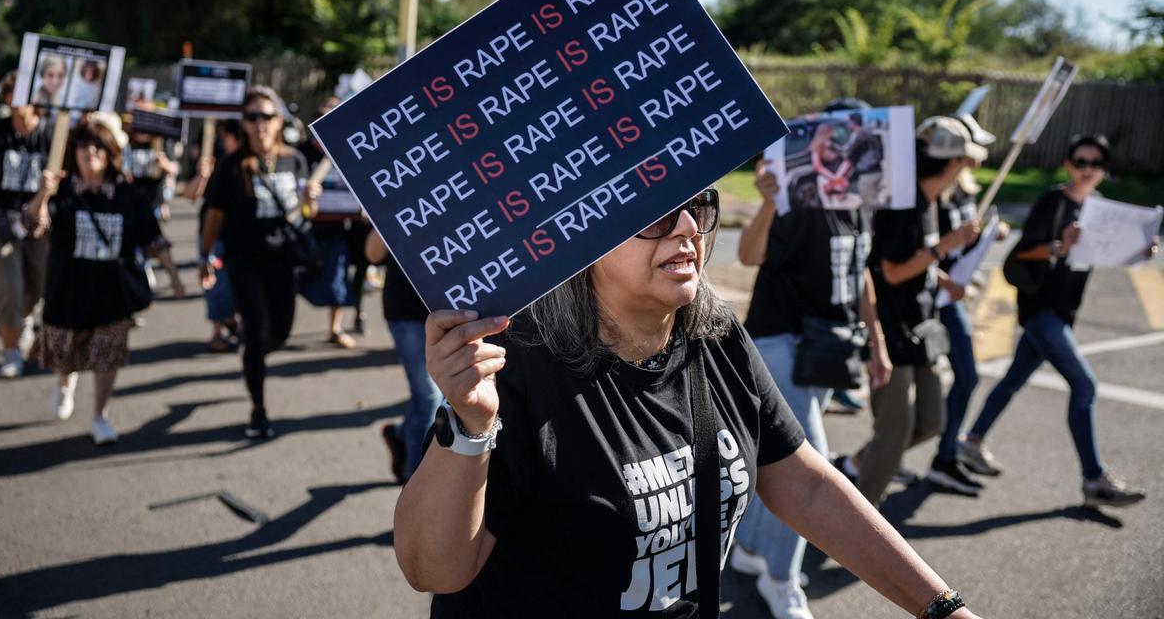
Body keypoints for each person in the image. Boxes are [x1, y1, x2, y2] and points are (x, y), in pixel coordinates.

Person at [394, 189, 984, 619]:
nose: (685, 228)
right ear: (582, 236)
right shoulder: (513, 367)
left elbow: (802, 483)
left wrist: (942, 609)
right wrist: (469, 427)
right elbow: (435, 571)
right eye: (650, 214)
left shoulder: (714, 334)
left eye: (698, 204)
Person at [732, 156, 893, 617]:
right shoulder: (793, 196)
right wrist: (766, 202)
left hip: (829, 347)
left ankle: (750, 547)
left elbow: (859, 270)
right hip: (781, 340)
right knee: (809, 469)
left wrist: (876, 342)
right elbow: (748, 255)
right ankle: (780, 580)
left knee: (777, 457)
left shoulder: (859, 201)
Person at [961, 134, 1155, 508]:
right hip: (1041, 310)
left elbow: (1111, 252)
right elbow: (1021, 253)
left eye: (1095, 164)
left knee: (1013, 380)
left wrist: (1140, 249)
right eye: (1080, 162)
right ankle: (1094, 480)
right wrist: (1058, 246)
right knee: (1085, 387)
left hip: (1064, 310)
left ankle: (971, 442)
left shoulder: (1099, 208)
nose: (1087, 170)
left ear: (1103, 170)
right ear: (1068, 164)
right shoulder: (1053, 202)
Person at [838, 117, 981, 506]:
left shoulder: (929, 202)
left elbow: (911, 260)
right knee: (894, 431)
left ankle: (857, 465)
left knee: (931, 421)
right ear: (953, 165)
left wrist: (942, 277)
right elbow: (893, 270)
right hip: (892, 329)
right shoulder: (904, 205)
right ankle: (863, 521)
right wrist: (945, 248)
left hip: (920, 326)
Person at [26, 117, 184, 444]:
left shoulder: (127, 194)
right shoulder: (62, 190)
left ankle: (100, 414)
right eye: (83, 145)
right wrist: (43, 194)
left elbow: (152, 237)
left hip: (112, 293)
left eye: (98, 145)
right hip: (67, 289)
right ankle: (65, 383)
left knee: (107, 355)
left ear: (111, 151)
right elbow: (34, 227)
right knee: (67, 351)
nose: (90, 152)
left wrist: (174, 276)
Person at [199, 87, 319, 438]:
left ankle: (254, 352)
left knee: (279, 331)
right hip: (243, 261)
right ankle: (258, 408)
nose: (259, 124)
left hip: (283, 260)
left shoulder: (293, 159)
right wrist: (205, 256)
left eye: (266, 116)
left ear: (279, 121)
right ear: (244, 124)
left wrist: (310, 201)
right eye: (252, 117)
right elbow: (214, 215)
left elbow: (303, 215)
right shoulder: (232, 166)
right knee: (255, 331)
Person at [924, 114, 1009, 495]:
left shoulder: (963, 191)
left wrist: (987, 236)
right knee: (916, 392)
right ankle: (870, 461)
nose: (978, 158)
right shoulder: (931, 194)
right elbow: (920, 251)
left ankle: (944, 455)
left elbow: (958, 244)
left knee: (961, 377)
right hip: (933, 298)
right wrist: (943, 279)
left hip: (948, 294)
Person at [0, 99, 53, 377]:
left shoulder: (51, 134)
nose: (17, 104)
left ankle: (25, 317)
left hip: (37, 226)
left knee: (36, 288)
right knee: (7, 288)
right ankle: (11, 350)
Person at [366, 230, 436, 483]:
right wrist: (383, 218)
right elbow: (373, 255)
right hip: (406, 313)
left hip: (450, 310)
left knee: (436, 400)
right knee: (429, 398)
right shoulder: (399, 196)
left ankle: (401, 434)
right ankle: (415, 482)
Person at [298, 97, 358, 349]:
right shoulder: (302, 152)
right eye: (323, 116)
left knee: (337, 280)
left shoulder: (349, 150)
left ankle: (335, 329)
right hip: (305, 229)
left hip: (338, 229)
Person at [185, 118, 242, 351]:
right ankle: (218, 330)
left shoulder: (250, 156)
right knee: (215, 283)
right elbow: (190, 194)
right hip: (213, 229)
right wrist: (203, 174)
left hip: (240, 230)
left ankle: (232, 321)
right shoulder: (211, 150)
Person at [842, 111, 885, 205]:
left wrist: (833, 148)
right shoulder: (869, 131)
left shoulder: (859, 134)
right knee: (872, 198)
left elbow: (848, 152)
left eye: (848, 122)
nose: (847, 124)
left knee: (869, 202)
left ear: (853, 122)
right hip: (877, 170)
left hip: (868, 174)